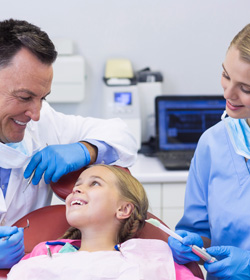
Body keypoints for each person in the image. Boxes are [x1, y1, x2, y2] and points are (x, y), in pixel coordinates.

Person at [0, 19, 137, 269]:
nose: (36, 113)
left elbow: (123, 136)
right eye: (24, 97)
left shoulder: (44, 124)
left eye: (42, 98)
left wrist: (86, 150)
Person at [7, 164, 202, 280]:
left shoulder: (152, 257)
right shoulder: (45, 252)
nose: (77, 189)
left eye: (95, 183)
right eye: (77, 185)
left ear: (124, 209)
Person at [168, 23, 250, 280]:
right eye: (226, 75)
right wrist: (191, 244)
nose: (228, 93)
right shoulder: (213, 144)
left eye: (246, 88)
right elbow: (201, 231)